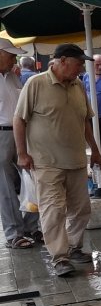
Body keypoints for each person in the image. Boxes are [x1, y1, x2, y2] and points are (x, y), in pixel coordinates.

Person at [14, 44, 101, 277]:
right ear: (62, 61)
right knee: (53, 210)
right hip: (46, 162)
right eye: (78, 62)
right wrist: (22, 153)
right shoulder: (35, 84)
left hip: (76, 160)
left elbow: (85, 121)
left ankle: (73, 247)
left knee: (81, 209)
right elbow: (19, 120)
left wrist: (95, 149)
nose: (81, 67)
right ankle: (59, 257)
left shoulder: (78, 85)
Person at [0, 39, 41, 249]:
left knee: (31, 177)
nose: (14, 58)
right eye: (10, 54)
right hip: (1, 136)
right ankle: (14, 233)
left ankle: (31, 227)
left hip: (19, 133)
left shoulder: (13, 77)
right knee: (6, 187)